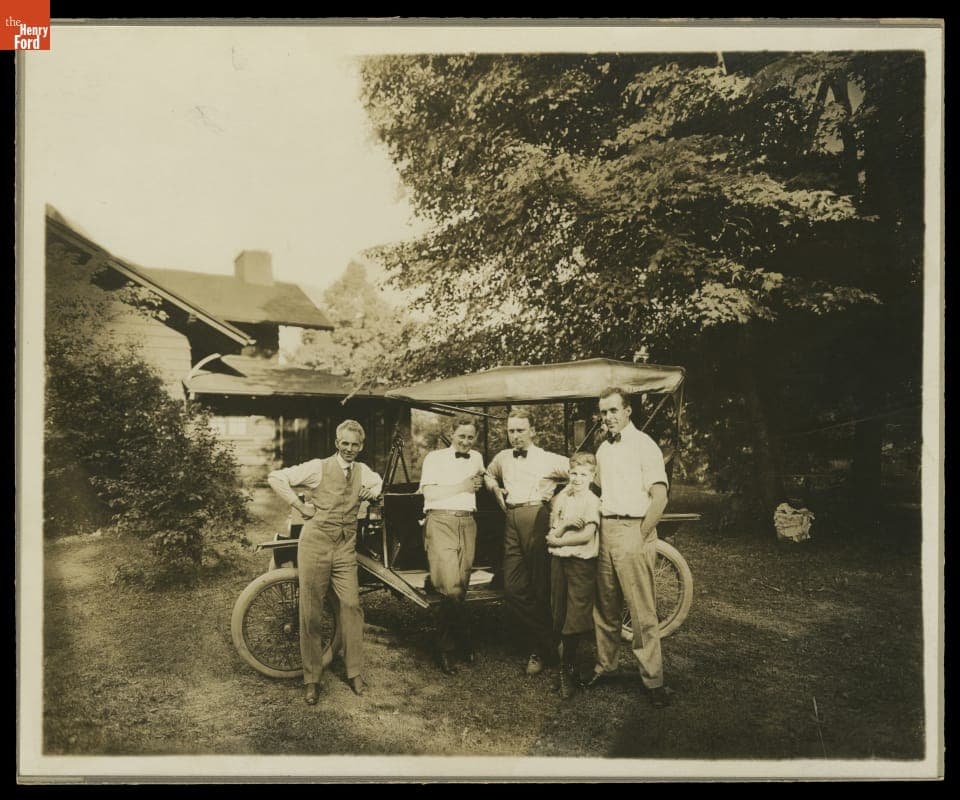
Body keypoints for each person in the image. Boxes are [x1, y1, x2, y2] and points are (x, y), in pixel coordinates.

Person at [267, 420, 382, 704]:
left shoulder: (362, 470)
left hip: (345, 547)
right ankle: (312, 679)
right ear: (336, 443)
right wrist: (299, 505)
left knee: (352, 605)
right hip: (316, 544)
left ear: (361, 446)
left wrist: (372, 492)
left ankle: (354, 672)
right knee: (311, 610)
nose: (349, 449)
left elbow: (378, 483)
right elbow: (276, 477)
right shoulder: (318, 467)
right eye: (345, 443)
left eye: (355, 445)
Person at [585, 386, 672, 708]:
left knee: (641, 610)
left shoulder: (644, 445)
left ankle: (653, 680)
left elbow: (660, 497)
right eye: (603, 412)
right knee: (605, 605)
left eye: (612, 411)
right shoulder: (603, 450)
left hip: (634, 528)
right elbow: (597, 491)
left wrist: (641, 533)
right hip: (606, 529)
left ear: (627, 411)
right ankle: (605, 666)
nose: (607, 417)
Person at [484, 407, 569, 676]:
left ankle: (539, 650)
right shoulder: (503, 457)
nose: (516, 436)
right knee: (512, 588)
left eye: (521, 430)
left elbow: (582, 472)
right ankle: (551, 643)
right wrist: (494, 488)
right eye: (511, 431)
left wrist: (557, 500)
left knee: (539, 587)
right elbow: (488, 474)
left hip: (536, 517)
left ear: (533, 431)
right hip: (511, 519)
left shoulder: (547, 459)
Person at [418, 416, 486, 675]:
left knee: (461, 585)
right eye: (461, 436)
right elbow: (430, 494)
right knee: (450, 586)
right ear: (451, 433)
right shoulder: (435, 458)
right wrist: (463, 486)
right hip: (441, 522)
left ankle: (458, 636)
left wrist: (489, 484)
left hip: (468, 523)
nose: (466, 442)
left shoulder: (477, 458)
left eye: (470, 437)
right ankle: (449, 647)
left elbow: (484, 479)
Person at [546, 452, 601, 699]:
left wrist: (559, 538)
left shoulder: (592, 501)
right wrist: (566, 526)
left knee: (576, 616)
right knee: (558, 613)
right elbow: (552, 529)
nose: (577, 478)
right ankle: (564, 668)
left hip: (581, 562)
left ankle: (568, 669)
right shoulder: (563, 498)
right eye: (574, 473)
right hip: (559, 562)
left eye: (583, 474)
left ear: (593, 476)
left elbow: (586, 535)